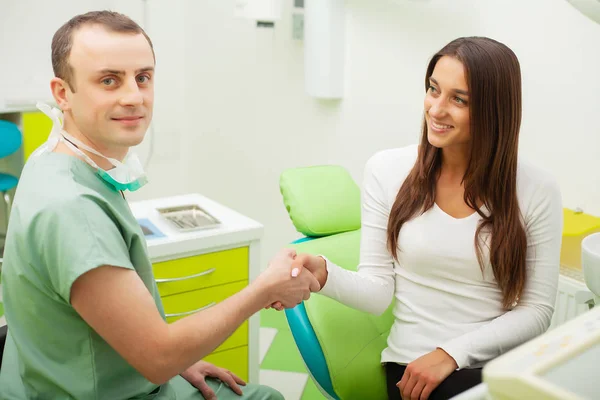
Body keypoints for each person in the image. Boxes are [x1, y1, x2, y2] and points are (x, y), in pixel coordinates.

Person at [0, 11, 320, 400]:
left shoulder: (50, 159)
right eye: (108, 80)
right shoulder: (73, 211)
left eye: (143, 77)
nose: (133, 96)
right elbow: (157, 358)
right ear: (62, 93)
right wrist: (264, 289)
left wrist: (178, 359)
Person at [283, 37, 563, 400]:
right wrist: (324, 273)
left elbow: (537, 310)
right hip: (415, 369)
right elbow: (377, 291)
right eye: (433, 90)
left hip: (500, 367)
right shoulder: (388, 171)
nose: (436, 109)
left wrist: (453, 353)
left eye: (458, 99)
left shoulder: (537, 189)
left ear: (495, 110)